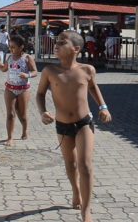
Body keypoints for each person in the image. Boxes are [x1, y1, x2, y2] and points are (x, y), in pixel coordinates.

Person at [36, 30, 112, 222]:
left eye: (62, 43)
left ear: (76, 49)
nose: (56, 45)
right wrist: (43, 111)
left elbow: (93, 87)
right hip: (62, 126)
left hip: (84, 123)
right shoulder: (49, 71)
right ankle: (76, 191)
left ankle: (86, 211)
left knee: (85, 164)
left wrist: (103, 107)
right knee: (70, 164)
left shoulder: (87, 70)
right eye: (57, 42)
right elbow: (40, 94)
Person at [0, 35, 38, 146]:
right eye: (10, 47)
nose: (11, 49)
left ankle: (25, 129)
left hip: (23, 90)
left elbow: (35, 72)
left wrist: (27, 74)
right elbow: (3, 69)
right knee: (10, 114)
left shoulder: (27, 58)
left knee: (22, 115)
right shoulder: (10, 58)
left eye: (13, 47)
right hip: (10, 89)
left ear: (21, 47)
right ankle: (10, 138)